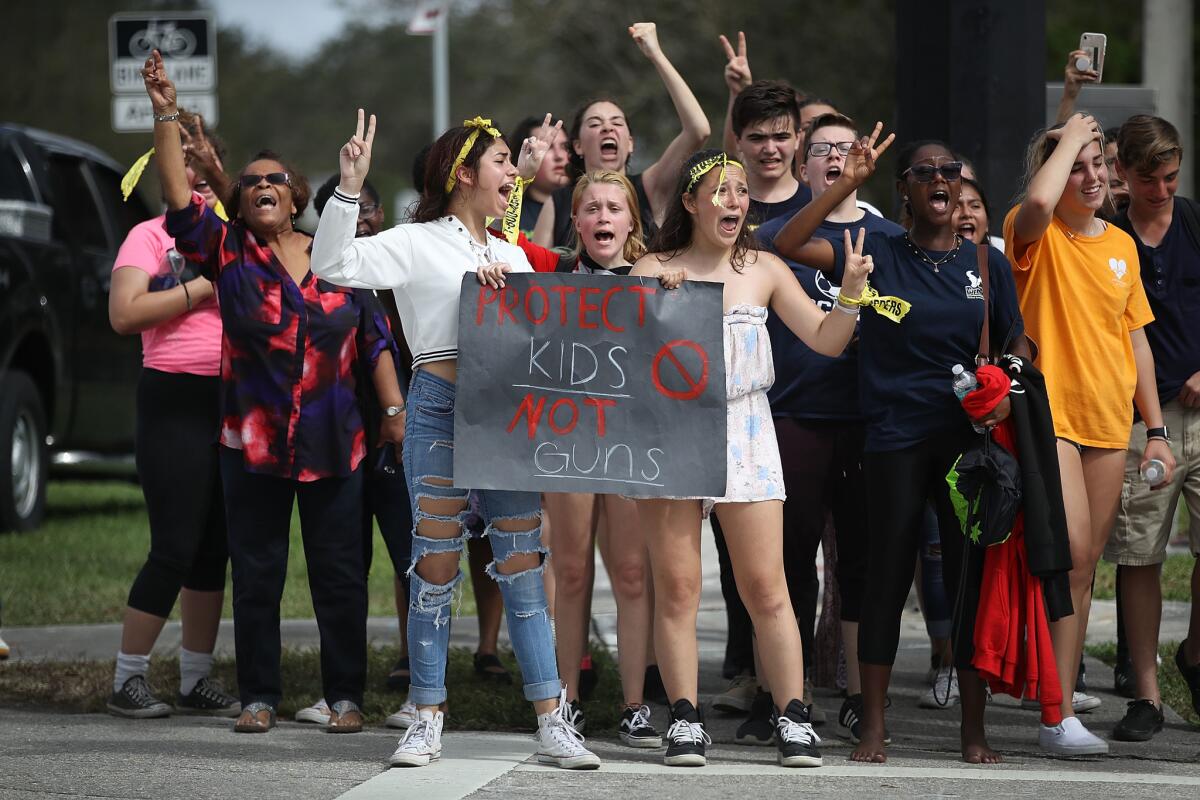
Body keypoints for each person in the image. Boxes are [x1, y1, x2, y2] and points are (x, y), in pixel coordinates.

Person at [311, 110, 601, 769]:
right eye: (502, 162)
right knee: (435, 566)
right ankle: (426, 714)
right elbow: (332, 263)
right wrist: (349, 185)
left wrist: (509, 299)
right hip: (438, 406)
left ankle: (553, 718)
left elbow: (545, 338)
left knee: (524, 565)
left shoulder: (510, 250)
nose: (514, 173)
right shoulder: (414, 242)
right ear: (465, 174)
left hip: (506, 413)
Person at [143, 51, 404, 735]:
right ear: (241, 198)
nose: (262, 185)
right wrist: (165, 109)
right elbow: (176, 192)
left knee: (340, 576)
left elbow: (372, 338)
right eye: (251, 179)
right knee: (257, 575)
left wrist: (394, 412)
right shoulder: (228, 252)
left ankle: (345, 696)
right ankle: (258, 694)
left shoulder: (337, 257)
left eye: (275, 179)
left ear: (295, 198)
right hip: (251, 446)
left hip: (334, 441)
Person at [775, 132, 1026, 765]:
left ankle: (974, 732)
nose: (941, 179)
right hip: (890, 441)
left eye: (951, 171)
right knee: (886, 577)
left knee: (965, 577)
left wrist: (1006, 386)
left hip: (965, 445)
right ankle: (873, 728)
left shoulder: (985, 263)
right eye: (925, 172)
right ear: (905, 192)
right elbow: (785, 245)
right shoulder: (878, 248)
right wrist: (843, 183)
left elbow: (1020, 343)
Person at [633, 148, 871, 768]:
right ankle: (683, 718)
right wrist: (658, 304)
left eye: (741, 191)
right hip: (673, 433)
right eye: (720, 190)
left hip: (746, 428)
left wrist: (849, 295)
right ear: (689, 202)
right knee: (680, 588)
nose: (735, 201)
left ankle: (793, 715)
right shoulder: (649, 267)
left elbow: (826, 340)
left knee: (767, 587)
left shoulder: (764, 267)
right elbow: (623, 359)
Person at [1003, 112, 1176, 755]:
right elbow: (1040, 200)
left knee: (1082, 571)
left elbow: (1137, 342)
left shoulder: (1122, 245)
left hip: (1111, 420)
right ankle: (1051, 701)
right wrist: (1071, 135)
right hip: (1049, 416)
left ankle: (1058, 711)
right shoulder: (1035, 233)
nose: (1094, 175)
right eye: (1079, 165)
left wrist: (1154, 428)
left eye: (1100, 164)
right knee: (1070, 551)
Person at [752, 112, 904, 742]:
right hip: (794, 412)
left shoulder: (892, 237)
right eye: (823, 150)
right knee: (788, 560)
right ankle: (784, 696)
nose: (837, 159)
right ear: (804, 164)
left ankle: (855, 695)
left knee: (863, 563)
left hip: (868, 419)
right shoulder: (773, 236)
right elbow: (782, 250)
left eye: (848, 149)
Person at [105, 112, 239, 720]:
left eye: (204, 159)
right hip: (173, 396)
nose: (196, 171)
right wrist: (201, 289)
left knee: (215, 547)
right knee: (175, 545)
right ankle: (127, 678)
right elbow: (125, 312)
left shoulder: (239, 236)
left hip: (233, 398)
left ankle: (194, 678)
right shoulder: (150, 237)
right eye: (182, 159)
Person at [540, 169, 661, 747]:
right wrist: (493, 272)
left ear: (633, 220)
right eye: (592, 208)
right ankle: (565, 700)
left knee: (634, 573)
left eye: (615, 208)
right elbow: (500, 249)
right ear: (577, 221)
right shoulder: (556, 276)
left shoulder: (655, 277)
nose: (603, 217)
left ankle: (636, 703)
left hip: (632, 440)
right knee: (569, 570)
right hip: (569, 441)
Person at [294, 176, 417, 726]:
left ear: (381, 210)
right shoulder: (325, 275)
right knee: (342, 568)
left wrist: (398, 414)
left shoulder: (403, 263)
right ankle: (342, 693)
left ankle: (424, 690)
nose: (360, 220)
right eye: (344, 213)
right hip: (337, 441)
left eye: (367, 208)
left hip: (406, 438)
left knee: (417, 564)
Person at [1105, 114, 1200, 741]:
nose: (1161, 191)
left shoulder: (1194, 220)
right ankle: (1145, 693)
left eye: (1170, 178)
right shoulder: (1105, 234)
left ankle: (1193, 654)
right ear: (1122, 173)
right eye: (1149, 180)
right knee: (1138, 554)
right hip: (1139, 419)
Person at [532, 22, 710, 248]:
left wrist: (656, 54)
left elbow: (698, 129)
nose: (607, 128)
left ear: (631, 143)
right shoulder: (558, 203)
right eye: (595, 123)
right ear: (577, 146)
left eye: (617, 122)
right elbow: (533, 275)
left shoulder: (649, 188)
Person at [718, 33, 809, 225]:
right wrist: (738, 91)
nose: (769, 149)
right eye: (757, 138)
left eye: (781, 137)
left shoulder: (818, 208)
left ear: (798, 138)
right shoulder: (720, 208)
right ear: (738, 141)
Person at [508, 115, 571, 235]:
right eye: (548, 147)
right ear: (521, 156)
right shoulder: (507, 210)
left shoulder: (587, 208)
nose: (559, 156)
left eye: (565, 147)